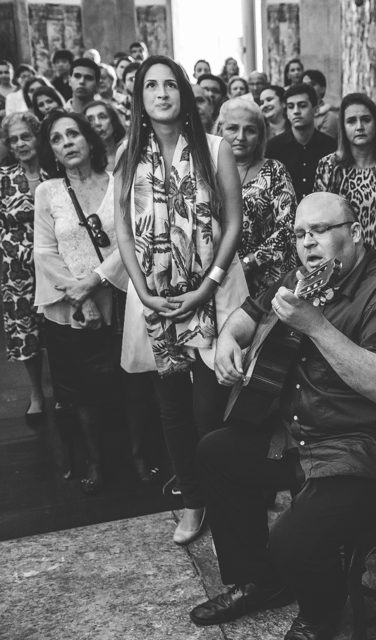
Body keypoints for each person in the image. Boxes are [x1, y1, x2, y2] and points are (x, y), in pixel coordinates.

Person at [188, 192, 376, 640]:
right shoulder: (302, 279)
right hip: (305, 437)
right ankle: (264, 582)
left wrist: (316, 325)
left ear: (355, 233)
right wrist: (228, 340)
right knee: (215, 453)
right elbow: (249, 314)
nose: (308, 243)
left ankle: (321, 616)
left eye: (320, 231)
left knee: (293, 540)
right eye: (300, 234)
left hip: (370, 451)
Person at [114, 55, 246, 545]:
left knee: (210, 409)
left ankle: (223, 492)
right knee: (170, 406)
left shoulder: (215, 150)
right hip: (156, 300)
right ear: (140, 98)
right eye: (152, 86)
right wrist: (144, 290)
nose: (162, 93)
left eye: (171, 85)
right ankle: (192, 502)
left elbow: (234, 223)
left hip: (212, 292)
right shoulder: (128, 154)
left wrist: (207, 285)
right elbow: (124, 232)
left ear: (184, 94)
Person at [32, 112, 127, 493]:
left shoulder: (116, 183)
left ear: (89, 140)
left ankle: (132, 456)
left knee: (124, 382)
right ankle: (94, 461)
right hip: (67, 304)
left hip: (114, 295)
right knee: (82, 390)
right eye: (57, 139)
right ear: (51, 150)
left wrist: (95, 281)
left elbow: (128, 243)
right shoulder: (47, 192)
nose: (67, 142)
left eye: (73, 133)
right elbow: (44, 251)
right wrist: (77, 291)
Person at [313, 93, 376, 256]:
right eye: (351, 121)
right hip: (342, 261)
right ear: (343, 127)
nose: (359, 126)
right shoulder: (328, 166)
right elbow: (320, 223)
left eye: (366, 119)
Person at [218, 98, 297, 296]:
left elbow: (288, 229)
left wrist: (248, 263)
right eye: (233, 128)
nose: (241, 136)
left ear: (260, 136)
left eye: (250, 130)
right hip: (217, 282)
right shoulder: (205, 172)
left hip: (265, 284)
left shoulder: (274, 171)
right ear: (219, 130)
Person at [0, 112, 47, 427]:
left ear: (36, 137)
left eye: (25, 136)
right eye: (13, 139)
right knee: (25, 333)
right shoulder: (3, 178)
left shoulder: (53, 173)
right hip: (16, 271)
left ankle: (67, 391)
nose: (20, 144)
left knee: (58, 332)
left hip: (53, 268)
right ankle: (37, 393)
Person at [265, 83, 336, 202]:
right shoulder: (273, 148)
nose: (296, 111)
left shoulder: (331, 146)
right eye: (291, 106)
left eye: (302, 106)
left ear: (316, 110)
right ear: (286, 112)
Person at [83, 100, 126, 172]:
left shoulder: (129, 153)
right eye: (90, 120)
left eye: (102, 117)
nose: (97, 123)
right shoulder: (86, 162)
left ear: (113, 122)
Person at [302, 70, 337, 139]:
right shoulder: (297, 112)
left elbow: (323, 145)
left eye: (312, 84)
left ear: (322, 89)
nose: (307, 88)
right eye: (304, 85)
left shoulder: (329, 117)